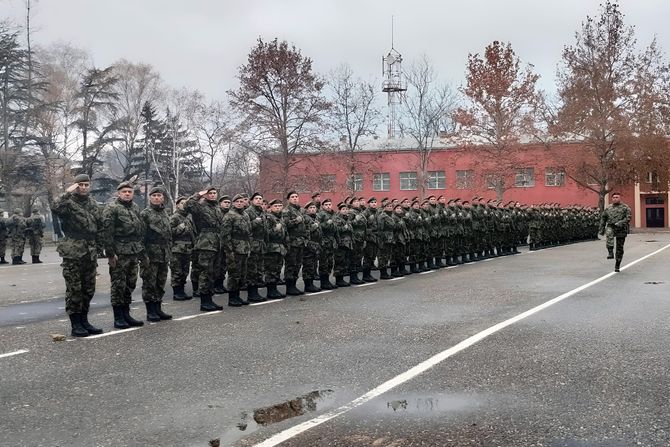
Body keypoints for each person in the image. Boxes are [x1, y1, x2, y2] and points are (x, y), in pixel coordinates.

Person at [50, 174, 104, 337]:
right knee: (75, 289)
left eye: (86, 185)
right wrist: (67, 192)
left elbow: (100, 226)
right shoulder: (68, 203)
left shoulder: (94, 204)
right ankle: (75, 324)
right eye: (80, 184)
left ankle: (84, 320)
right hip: (73, 250)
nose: (84, 187)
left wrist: (99, 247)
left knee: (89, 289)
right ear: (75, 186)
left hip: (90, 251)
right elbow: (55, 207)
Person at [102, 181, 146, 328]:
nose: (127, 194)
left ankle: (127, 314)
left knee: (130, 284)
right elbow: (107, 232)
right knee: (118, 285)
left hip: (133, 251)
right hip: (119, 253)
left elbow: (140, 230)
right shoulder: (112, 208)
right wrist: (110, 253)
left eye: (130, 191)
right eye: (124, 192)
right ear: (118, 193)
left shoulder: (135, 207)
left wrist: (141, 252)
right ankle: (118, 317)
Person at [184, 187, 225, 312]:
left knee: (213, 273)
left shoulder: (217, 208)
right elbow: (188, 206)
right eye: (210, 193)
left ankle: (209, 299)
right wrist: (198, 194)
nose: (212, 195)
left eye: (214, 193)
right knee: (205, 272)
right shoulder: (200, 207)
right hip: (205, 243)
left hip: (217, 243)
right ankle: (204, 301)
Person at [139, 186, 173, 322]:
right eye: (154, 196)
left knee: (160, 282)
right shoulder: (145, 214)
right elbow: (141, 236)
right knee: (149, 283)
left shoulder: (165, 213)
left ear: (163, 198)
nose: (157, 198)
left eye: (159, 196)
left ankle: (158, 308)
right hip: (151, 254)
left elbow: (169, 234)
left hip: (164, 253)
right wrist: (143, 255)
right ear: (150, 198)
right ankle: (150, 311)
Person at [221, 194, 252, 306]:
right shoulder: (229, 216)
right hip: (234, 249)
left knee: (242, 274)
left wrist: (249, 247)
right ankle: (232, 298)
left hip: (244, 248)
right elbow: (225, 235)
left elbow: (249, 233)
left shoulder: (246, 215)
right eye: (236, 201)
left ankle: (237, 296)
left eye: (241, 201)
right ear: (233, 203)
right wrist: (229, 252)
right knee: (234, 274)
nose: (239, 203)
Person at [170, 197, 195, 301]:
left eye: (186, 203)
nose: (184, 205)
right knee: (177, 271)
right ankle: (177, 292)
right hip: (177, 248)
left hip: (187, 248)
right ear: (177, 205)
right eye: (182, 203)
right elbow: (169, 232)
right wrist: (180, 228)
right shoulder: (175, 217)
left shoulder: (189, 218)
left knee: (185, 271)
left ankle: (182, 291)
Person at [599, 192, 631, 272]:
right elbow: (603, 218)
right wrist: (601, 230)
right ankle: (610, 252)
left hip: (621, 228)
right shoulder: (608, 208)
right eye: (614, 197)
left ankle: (617, 264)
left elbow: (628, 218)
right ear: (612, 199)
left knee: (619, 248)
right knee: (609, 233)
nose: (615, 199)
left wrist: (620, 222)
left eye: (617, 197)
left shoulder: (625, 207)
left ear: (620, 198)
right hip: (611, 226)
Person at [282, 191, 307, 295]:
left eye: (296, 196)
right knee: (291, 264)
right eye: (292, 197)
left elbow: (305, 226)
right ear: (288, 199)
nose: (295, 198)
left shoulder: (301, 210)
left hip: (301, 241)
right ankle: (289, 287)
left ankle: (294, 284)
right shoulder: (286, 211)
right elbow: (285, 225)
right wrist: (296, 221)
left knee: (298, 264)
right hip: (292, 242)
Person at [245, 192, 268, 301]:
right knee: (252, 269)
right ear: (252, 200)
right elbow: (245, 228)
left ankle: (256, 292)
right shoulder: (248, 212)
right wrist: (255, 222)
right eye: (257, 199)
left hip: (261, 243)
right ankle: (251, 293)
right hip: (253, 243)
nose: (259, 200)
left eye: (260, 199)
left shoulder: (262, 212)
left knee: (259, 269)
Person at [264, 199, 287, 299]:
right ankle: (270, 290)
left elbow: (285, 233)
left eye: (279, 206)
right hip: (272, 247)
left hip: (280, 247)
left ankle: (274, 289)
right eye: (275, 206)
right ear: (271, 207)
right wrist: (275, 229)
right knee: (271, 269)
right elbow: (266, 233)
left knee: (277, 269)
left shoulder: (280, 218)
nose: (278, 208)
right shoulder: (268, 218)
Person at [302, 201, 322, 293]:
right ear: (307, 209)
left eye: (314, 208)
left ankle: (311, 283)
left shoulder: (316, 218)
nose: (313, 209)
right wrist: (314, 226)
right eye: (310, 208)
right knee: (308, 265)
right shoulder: (305, 218)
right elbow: (304, 231)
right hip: (308, 244)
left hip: (316, 244)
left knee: (313, 264)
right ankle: (308, 285)